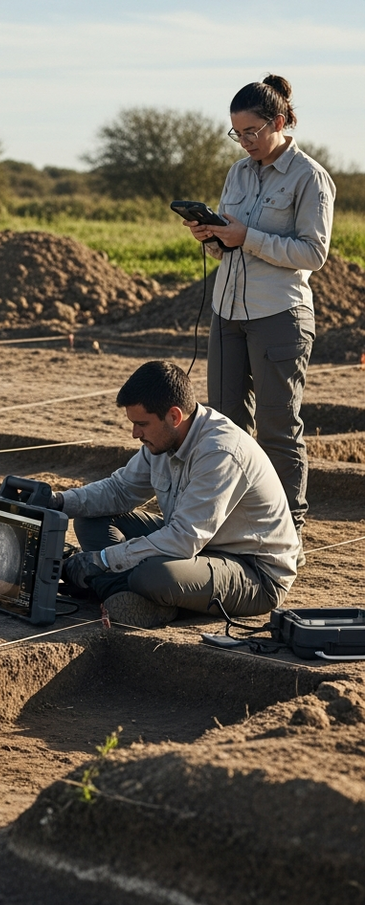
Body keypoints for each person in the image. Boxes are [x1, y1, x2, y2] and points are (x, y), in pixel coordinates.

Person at [183, 74, 334, 560]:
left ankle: (288, 533)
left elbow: (314, 253)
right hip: (227, 311)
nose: (245, 142)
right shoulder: (238, 172)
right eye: (237, 133)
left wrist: (245, 236)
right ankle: (234, 525)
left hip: (280, 315)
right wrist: (210, 235)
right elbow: (231, 239)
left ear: (281, 121)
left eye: (251, 131)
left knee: (276, 427)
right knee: (225, 426)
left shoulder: (310, 177)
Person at [54, 360, 299, 630]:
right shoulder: (161, 440)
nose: (135, 433)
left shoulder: (220, 452)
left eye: (142, 424)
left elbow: (184, 539)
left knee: (153, 576)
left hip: (253, 572)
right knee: (90, 519)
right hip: (199, 547)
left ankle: (130, 591)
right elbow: (120, 490)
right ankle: (120, 592)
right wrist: (61, 502)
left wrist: (103, 560)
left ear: (174, 416)